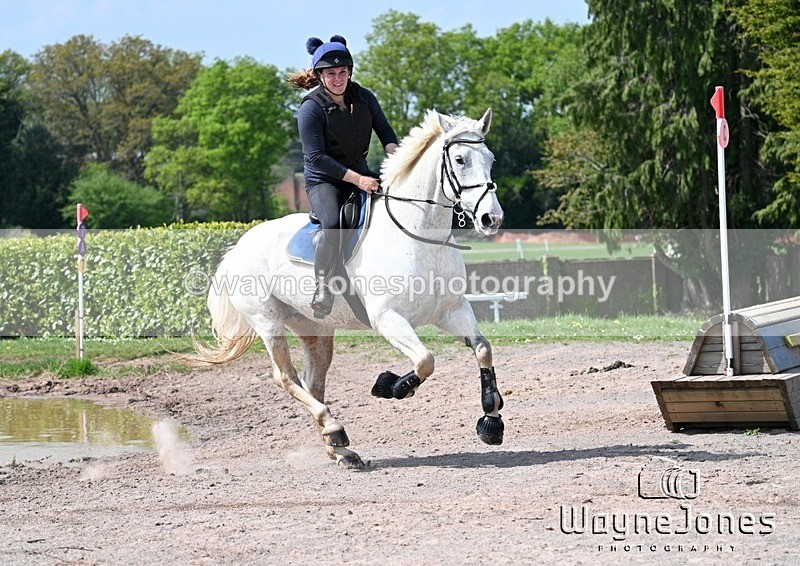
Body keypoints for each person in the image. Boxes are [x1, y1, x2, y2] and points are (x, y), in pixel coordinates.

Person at [287, 35, 399, 319]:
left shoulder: (365, 98)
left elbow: (385, 133)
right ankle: (322, 286)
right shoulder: (310, 108)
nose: (338, 78)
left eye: (342, 72)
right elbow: (317, 159)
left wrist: (399, 160)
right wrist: (359, 180)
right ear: (320, 76)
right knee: (333, 222)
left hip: (362, 172)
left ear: (350, 72)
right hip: (324, 180)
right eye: (331, 73)